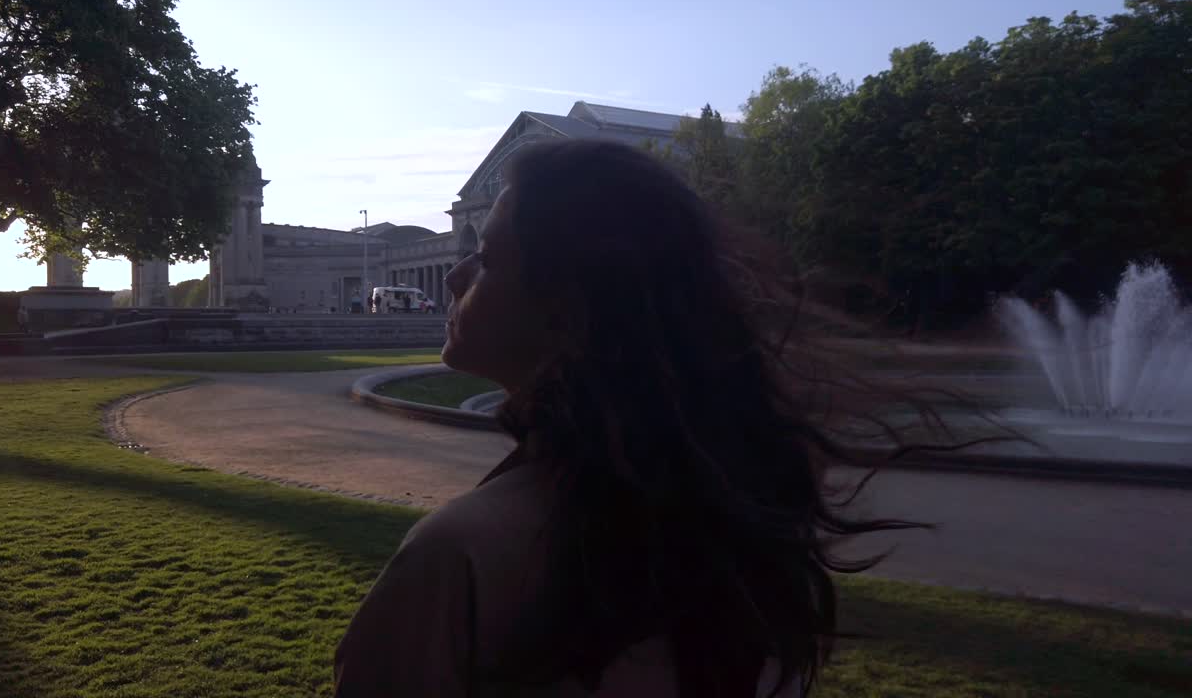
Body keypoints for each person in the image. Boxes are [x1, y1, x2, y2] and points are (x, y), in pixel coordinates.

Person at [332, 140, 971, 697]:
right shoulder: (741, 522)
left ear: (570, 307)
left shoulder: (460, 554)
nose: (454, 277)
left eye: (490, 259)